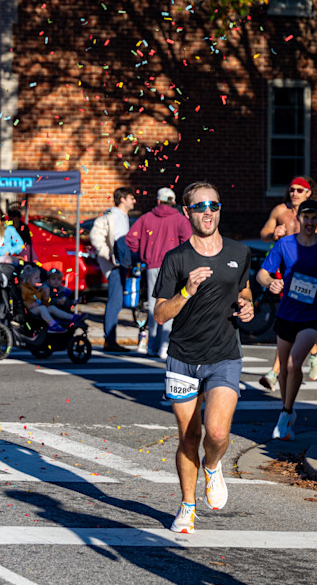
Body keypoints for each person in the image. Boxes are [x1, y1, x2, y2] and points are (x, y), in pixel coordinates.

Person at [153, 181, 254, 534]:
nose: (207, 211)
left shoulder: (239, 253)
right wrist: (187, 290)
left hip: (224, 354)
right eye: (200, 206)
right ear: (187, 212)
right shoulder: (176, 258)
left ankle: (213, 466)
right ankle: (187, 506)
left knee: (217, 431)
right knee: (189, 437)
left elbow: (244, 290)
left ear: (219, 209)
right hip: (183, 357)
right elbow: (161, 314)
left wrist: (248, 307)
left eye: (213, 205)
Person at [256, 199, 317, 440]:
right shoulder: (284, 244)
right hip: (287, 311)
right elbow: (262, 274)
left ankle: (285, 413)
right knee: (284, 369)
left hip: (314, 312)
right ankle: (288, 410)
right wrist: (271, 283)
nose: (309, 222)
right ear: (298, 219)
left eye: (314, 218)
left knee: (295, 363)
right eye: (305, 217)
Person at [258, 176, 317, 390]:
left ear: (308, 193)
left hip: (308, 277)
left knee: (295, 319)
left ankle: (275, 372)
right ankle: (314, 352)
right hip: (285, 272)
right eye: (292, 189)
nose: (294, 193)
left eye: (300, 190)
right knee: (290, 320)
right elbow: (264, 233)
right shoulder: (280, 211)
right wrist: (273, 234)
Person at [125, 186, 192, 359]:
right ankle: (165, 345)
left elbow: (131, 238)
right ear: (174, 202)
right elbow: (188, 243)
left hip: (152, 265)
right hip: (174, 267)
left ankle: (152, 346)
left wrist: (142, 253)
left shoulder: (146, 218)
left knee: (155, 304)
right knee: (170, 304)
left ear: (157, 201)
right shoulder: (180, 219)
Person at [90, 187, 136, 352]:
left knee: (117, 302)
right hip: (115, 265)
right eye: (132, 197)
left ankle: (111, 339)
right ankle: (109, 340)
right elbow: (95, 235)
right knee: (114, 303)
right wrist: (108, 255)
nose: (134, 201)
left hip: (122, 264)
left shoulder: (124, 216)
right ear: (122, 199)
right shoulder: (111, 215)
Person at [19, 265, 81, 332]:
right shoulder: (24, 289)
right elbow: (22, 301)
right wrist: (30, 305)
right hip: (30, 310)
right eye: (36, 278)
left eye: (39, 278)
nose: (39, 280)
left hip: (38, 308)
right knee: (42, 308)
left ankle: (72, 317)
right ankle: (53, 325)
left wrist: (46, 295)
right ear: (28, 279)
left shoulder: (36, 289)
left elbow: (44, 303)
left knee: (51, 308)